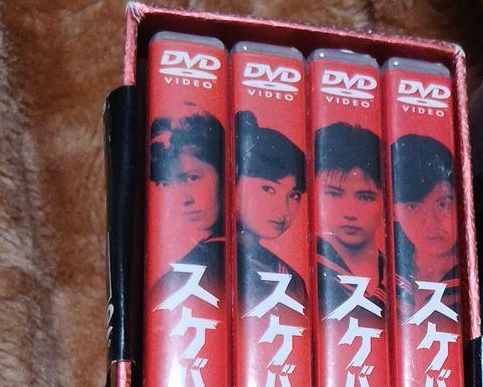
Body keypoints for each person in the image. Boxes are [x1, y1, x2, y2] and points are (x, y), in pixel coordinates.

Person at [234, 110, 307, 310]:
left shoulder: (290, 279)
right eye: (268, 189)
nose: (283, 209)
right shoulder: (204, 263)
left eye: (294, 195)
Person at [148, 112, 225, 295]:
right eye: (165, 183)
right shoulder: (169, 283)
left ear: (225, 171)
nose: (183, 199)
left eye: (192, 178)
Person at [312, 122, 385, 312]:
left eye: (366, 197)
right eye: (333, 194)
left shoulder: (402, 278)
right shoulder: (304, 274)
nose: (350, 213)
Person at [389, 134, 458, 313]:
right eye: (413, 207)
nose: (431, 223)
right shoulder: (383, 275)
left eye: (442, 204)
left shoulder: (474, 282)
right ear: (393, 212)